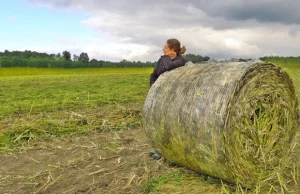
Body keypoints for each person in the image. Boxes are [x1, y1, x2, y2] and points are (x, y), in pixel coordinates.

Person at [148, 38, 186, 160]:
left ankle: (173, 152)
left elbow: (169, 67)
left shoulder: (180, 60)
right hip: (161, 97)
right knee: (160, 124)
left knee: (170, 125)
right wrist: (153, 89)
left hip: (173, 98)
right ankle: (161, 151)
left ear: (172, 49)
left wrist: (165, 57)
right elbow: (154, 74)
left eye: (165, 47)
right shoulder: (162, 60)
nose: (163, 49)